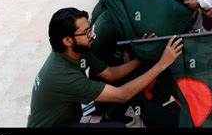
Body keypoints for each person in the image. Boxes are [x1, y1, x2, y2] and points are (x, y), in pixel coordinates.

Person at [27, 8, 183, 127]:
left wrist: (141, 58)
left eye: (90, 29)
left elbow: (111, 74)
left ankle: (109, 117)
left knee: (131, 82)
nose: (93, 35)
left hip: (67, 121)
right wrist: (162, 63)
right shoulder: (63, 76)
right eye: (86, 33)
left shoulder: (76, 52)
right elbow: (121, 95)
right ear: (67, 40)